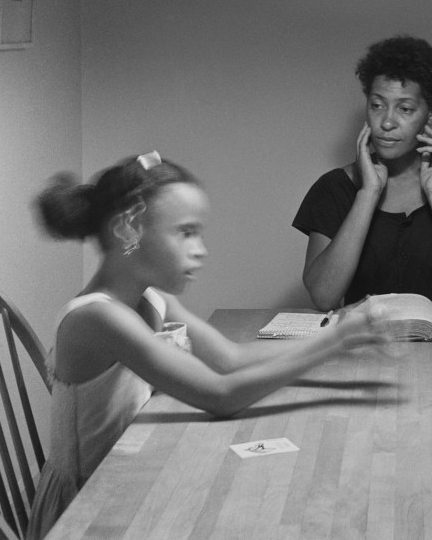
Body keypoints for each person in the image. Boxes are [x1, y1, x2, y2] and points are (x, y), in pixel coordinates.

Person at [27, 151, 388, 540]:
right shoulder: (99, 317)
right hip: (86, 509)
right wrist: (335, 342)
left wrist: (331, 333)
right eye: (185, 232)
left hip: (127, 475)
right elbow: (220, 395)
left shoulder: (151, 299)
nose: (201, 249)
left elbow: (230, 359)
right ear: (128, 229)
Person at [294, 35, 432, 310]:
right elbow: (323, 296)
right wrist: (367, 193)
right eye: (377, 105)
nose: (386, 122)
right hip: (363, 346)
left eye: (405, 109)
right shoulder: (334, 187)